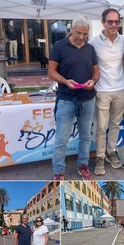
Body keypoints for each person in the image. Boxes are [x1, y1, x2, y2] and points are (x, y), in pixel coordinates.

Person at [48, 15, 99, 180]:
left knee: (85, 136)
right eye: (79, 33)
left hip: (88, 98)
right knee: (61, 139)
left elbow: (96, 71)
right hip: (66, 99)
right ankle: (58, 172)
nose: (82, 37)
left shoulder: (90, 48)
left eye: (85, 34)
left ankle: (83, 165)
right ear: (71, 28)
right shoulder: (59, 46)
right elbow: (51, 72)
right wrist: (65, 81)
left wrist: (93, 80)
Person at [89, 9, 124, 175]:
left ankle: (112, 152)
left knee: (115, 124)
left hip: (120, 89)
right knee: (102, 127)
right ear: (103, 22)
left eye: (116, 21)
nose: (113, 25)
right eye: (110, 21)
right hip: (102, 91)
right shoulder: (93, 42)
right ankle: (100, 157)